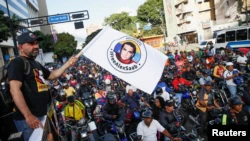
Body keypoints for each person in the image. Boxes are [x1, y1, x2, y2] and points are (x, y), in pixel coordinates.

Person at [7, 32, 78, 141]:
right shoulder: (17, 63)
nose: (36, 46)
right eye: (31, 44)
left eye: (36, 43)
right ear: (20, 47)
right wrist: (28, 116)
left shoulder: (36, 63)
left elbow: (53, 75)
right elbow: (14, 90)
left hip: (42, 114)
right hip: (28, 120)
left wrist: (68, 63)